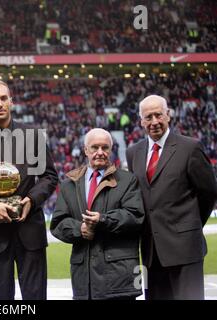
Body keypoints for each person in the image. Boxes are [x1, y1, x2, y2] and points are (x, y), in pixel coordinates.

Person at [0, 79, 58, 300]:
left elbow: (49, 176)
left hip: (30, 230)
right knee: (0, 300)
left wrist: (32, 200)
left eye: (3, 98)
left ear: (11, 102)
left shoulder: (33, 136)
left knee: (35, 298)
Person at [126, 95, 217, 300]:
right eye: (148, 117)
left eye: (159, 115)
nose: (154, 121)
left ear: (168, 115)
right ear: (141, 121)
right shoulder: (133, 153)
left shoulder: (190, 147)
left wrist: (188, 225)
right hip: (150, 252)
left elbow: (209, 192)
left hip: (185, 248)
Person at [50, 128, 145, 300]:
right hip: (84, 281)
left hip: (119, 281)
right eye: (94, 147)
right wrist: (81, 228)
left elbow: (135, 217)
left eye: (105, 147)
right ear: (86, 150)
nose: (100, 152)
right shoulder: (68, 184)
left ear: (111, 149)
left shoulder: (128, 180)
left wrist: (102, 220)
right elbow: (57, 224)